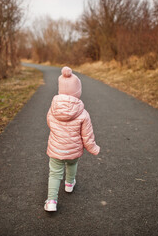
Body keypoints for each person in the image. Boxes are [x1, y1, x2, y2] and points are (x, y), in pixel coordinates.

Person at [44, 66, 100, 212]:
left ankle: (51, 201)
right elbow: (87, 135)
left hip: (56, 148)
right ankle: (69, 184)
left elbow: (49, 123)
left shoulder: (52, 109)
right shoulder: (83, 113)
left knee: (55, 173)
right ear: (78, 91)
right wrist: (93, 148)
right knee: (71, 164)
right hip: (73, 149)